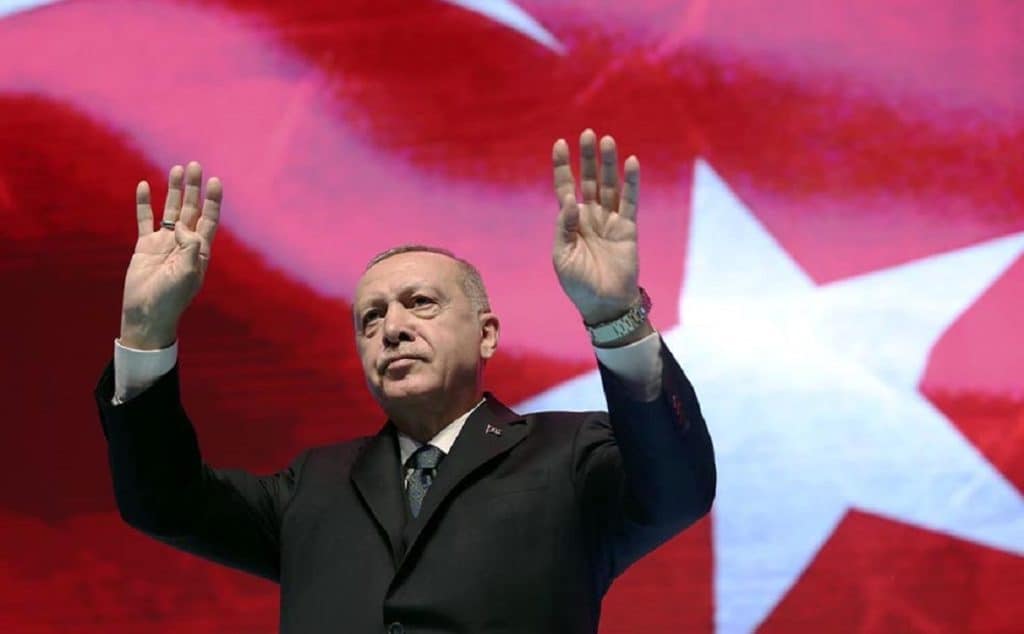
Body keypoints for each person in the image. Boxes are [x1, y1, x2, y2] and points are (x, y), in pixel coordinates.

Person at [93, 129, 716, 634]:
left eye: (420, 303)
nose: (391, 328)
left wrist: (614, 316)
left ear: (487, 334)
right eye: (371, 317)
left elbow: (679, 489)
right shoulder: (313, 487)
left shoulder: (571, 457)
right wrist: (145, 329)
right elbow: (164, 501)